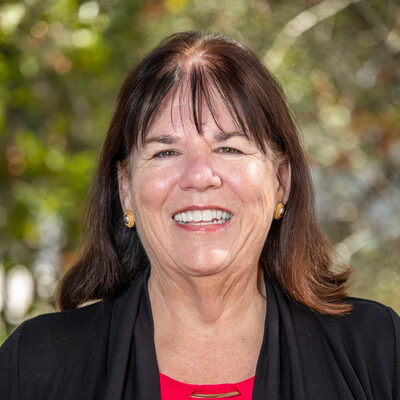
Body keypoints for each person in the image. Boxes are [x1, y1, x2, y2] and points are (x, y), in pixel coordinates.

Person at [0, 31, 399, 400]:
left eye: (229, 149)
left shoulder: (378, 351)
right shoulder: (34, 367)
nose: (198, 176)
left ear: (280, 180)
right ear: (125, 189)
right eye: (165, 152)